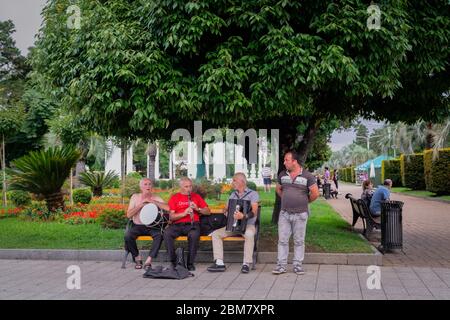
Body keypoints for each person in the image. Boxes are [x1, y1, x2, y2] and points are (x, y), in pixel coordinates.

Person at [273, 150, 320, 275]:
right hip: (284, 214)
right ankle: (281, 266)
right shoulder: (282, 174)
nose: (284, 163)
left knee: (299, 241)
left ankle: (297, 266)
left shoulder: (307, 176)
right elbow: (278, 189)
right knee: (282, 240)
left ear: (294, 161)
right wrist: (286, 198)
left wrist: (304, 201)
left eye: (286, 160)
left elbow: (315, 193)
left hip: (300, 214)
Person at [207, 173, 259, 274]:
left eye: (234, 180)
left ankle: (246, 264)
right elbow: (226, 208)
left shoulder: (253, 194)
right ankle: (219, 262)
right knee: (216, 234)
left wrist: (243, 216)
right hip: (233, 225)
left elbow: (254, 212)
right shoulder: (232, 194)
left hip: (248, 225)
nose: (232, 183)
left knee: (249, 234)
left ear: (242, 181)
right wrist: (225, 210)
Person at [164, 177, 210, 271]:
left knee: (194, 235)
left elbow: (208, 211)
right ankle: (173, 261)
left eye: (190, 186)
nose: (189, 189)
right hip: (177, 225)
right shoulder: (175, 197)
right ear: (181, 187)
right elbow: (171, 217)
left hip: (192, 224)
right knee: (167, 233)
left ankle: (190, 263)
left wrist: (198, 209)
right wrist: (184, 213)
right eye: (186, 186)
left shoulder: (196, 196)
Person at [125, 178, 170, 270]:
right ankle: (137, 258)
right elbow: (129, 214)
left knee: (160, 235)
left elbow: (168, 208)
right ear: (140, 187)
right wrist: (141, 205)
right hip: (137, 225)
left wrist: (153, 202)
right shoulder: (135, 197)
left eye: (150, 184)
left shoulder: (156, 197)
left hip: (153, 226)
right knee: (128, 236)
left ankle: (149, 261)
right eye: (145, 184)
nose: (148, 186)